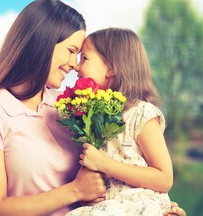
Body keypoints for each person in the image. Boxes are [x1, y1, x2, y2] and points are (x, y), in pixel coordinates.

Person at [0, 0, 186, 216]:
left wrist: (156, 208)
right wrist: (74, 191)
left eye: (80, 56)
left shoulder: (71, 106)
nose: (74, 65)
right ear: (43, 43)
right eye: (71, 51)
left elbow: (122, 166)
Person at [66, 27, 177, 216]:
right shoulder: (93, 117)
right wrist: (87, 196)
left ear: (110, 69)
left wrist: (104, 164)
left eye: (84, 58)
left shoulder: (141, 113)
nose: (76, 66)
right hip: (108, 207)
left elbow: (164, 178)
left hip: (137, 204)